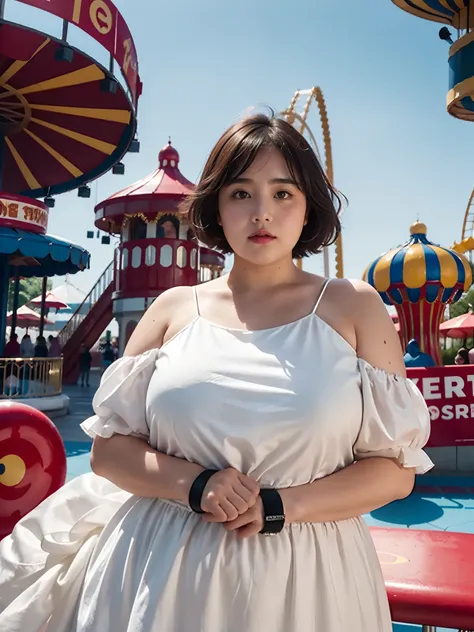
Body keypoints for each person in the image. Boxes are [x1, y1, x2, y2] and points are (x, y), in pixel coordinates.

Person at [0, 113, 434, 632]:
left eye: (283, 194)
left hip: (308, 574)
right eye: (241, 193)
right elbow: (109, 451)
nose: (261, 213)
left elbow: (394, 469)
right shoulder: (171, 309)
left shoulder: (353, 307)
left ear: (308, 207)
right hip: (156, 571)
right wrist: (196, 484)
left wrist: (280, 505)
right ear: (217, 206)